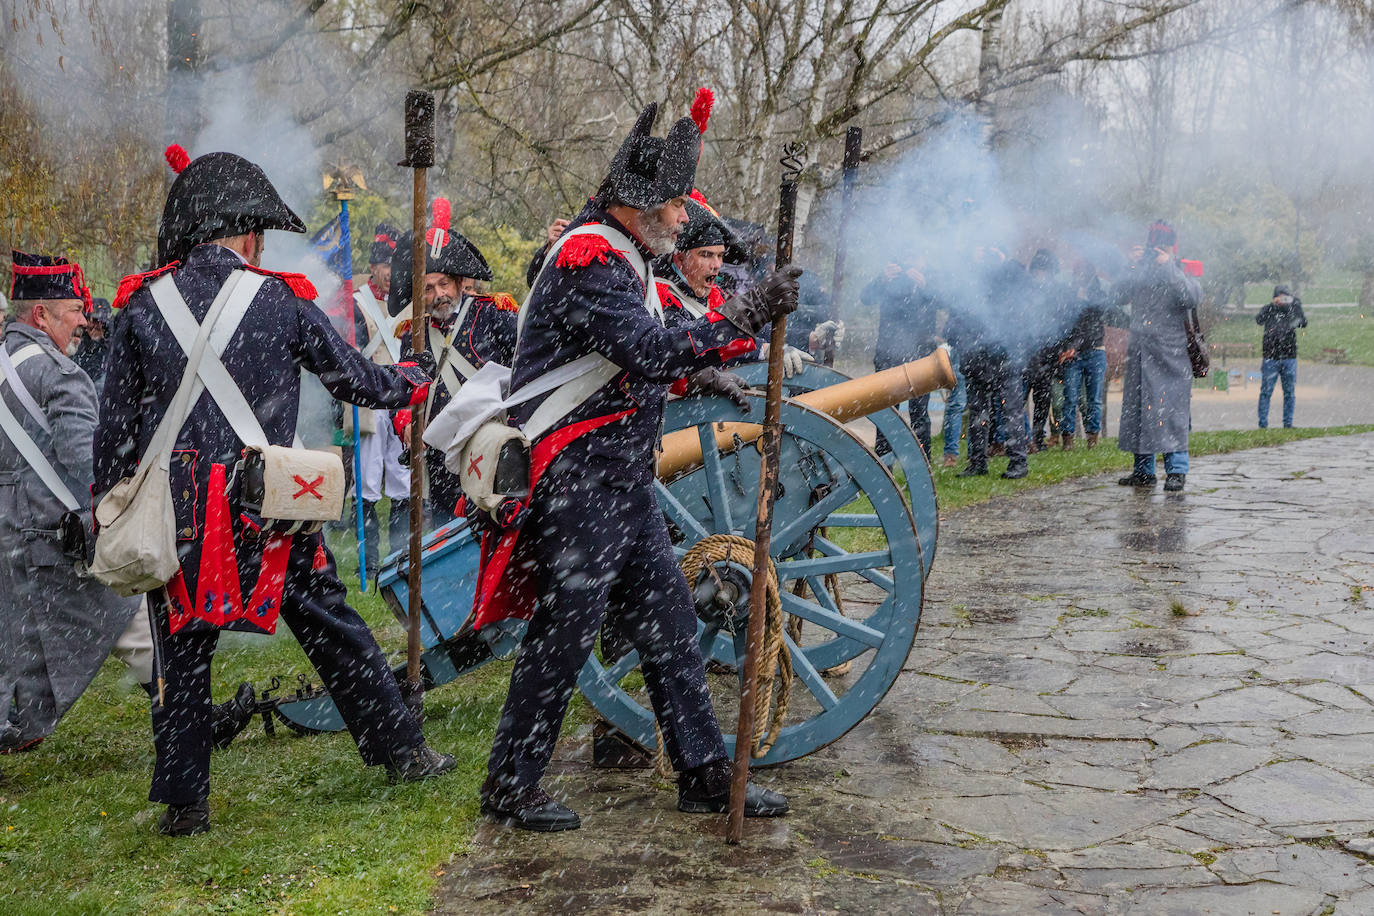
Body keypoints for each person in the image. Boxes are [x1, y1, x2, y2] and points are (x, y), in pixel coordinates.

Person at [95, 150, 454, 837]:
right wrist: (410, 375)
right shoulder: (280, 297)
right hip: (271, 506)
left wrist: (108, 500)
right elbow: (354, 380)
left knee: (182, 647)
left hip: (180, 510)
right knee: (333, 627)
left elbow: (113, 430)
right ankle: (402, 751)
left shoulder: (140, 305)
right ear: (244, 234)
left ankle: (185, 802)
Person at [477, 100, 794, 832]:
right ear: (642, 203)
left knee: (672, 624)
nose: (685, 220)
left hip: (616, 478)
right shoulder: (590, 257)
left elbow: (638, 360)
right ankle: (510, 783)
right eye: (678, 204)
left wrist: (697, 374)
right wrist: (747, 313)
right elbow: (644, 351)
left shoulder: (625, 260)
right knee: (564, 634)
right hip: (578, 476)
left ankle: (703, 771)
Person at [0, 252, 142, 755]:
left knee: (13, 638)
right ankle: (185, 710)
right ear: (40, 315)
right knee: (129, 610)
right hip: (50, 536)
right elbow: (88, 465)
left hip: (8, 532)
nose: (84, 320)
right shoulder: (61, 375)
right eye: (72, 310)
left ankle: (21, 722)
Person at [392, 199, 517, 529]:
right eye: (428, 288)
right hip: (439, 456)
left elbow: (524, 370)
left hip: (488, 448)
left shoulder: (494, 315)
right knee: (447, 536)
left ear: (460, 282)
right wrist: (405, 421)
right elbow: (403, 388)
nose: (438, 295)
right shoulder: (413, 335)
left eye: (444, 284)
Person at [1113, 221, 1203, 492]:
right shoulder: (1139, 269)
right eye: (1154, 246)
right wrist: (1132, 265)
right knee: (1140, 411)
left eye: (1162, 246)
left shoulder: (1182, 268)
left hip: (1171, 355)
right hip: (1141, 352)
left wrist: (1166, 267)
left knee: (1171, 414)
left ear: (1171, 247)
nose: (1157, 251)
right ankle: (1143, 470)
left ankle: (1176, 470)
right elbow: (1118, 295)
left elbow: (1190, 297)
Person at [351, 223, 410, 571]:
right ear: (373, 267)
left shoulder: (410, 299)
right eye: (384, 265)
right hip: (371, 400)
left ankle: (400, 554)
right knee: (368, 480)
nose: (389, 273)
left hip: (402, 397)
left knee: (403, 478)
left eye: (394, 265)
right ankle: (367, 561)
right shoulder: (357, 303)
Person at [943, 247, 1030, 479]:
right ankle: (977, 463)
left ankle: (1018, 463)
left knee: (1012, 413)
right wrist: (967, 340)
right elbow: (950, 329)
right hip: (975, 362)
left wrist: (1004, 261)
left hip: (1005, 359)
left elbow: (1025, 282)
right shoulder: (965, 291)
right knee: (978, 416)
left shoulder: (1011, 280)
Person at [862, 258, 938, 455]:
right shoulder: (892, 275)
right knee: (887, 412)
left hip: (921, 355)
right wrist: (881, 280)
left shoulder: (933, 278)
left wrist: (926, 286)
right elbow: (866, 298)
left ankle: (922, 464)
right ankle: (884, 467)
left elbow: (948, 303)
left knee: (920, 413)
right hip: (888, 354)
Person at [1059, 261, 1110, 449]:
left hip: (1095, 351)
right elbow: (1064, 322)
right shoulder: (1068, 295)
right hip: (1072, 354)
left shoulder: (1098, 295)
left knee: (1094, 399)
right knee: (1070, 397)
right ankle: (1068, 439)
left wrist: (1084, 299)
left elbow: (1093, 319)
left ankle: (1092, 439)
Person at [1256, 284, 1307, 429]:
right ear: (1274, 298)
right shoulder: (1269, 309)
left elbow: (1303, 323)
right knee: (1266, 391)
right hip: (1270, 356)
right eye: (1280, 297)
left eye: (1286, 296)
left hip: (1289, 356)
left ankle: (1288, 423)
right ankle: (1263, 423)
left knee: (1289, 392)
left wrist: (1292, 305)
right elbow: (1259, 320)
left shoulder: (1294, 308)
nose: (1283, 300)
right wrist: (1272, 306)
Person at [72, 297, 113, 390]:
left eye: (100, 322)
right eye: (93, 320)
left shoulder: (111, 343)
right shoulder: (80, 338)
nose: (95, 325)